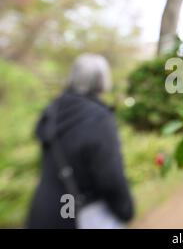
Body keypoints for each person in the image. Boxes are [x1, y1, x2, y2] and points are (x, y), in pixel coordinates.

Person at [26, 53, 134, 229]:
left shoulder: (53, 111)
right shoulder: (97, 117)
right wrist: (125, 209)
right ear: (101, 80)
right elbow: (109, 175)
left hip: (45, 211)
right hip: (82, 214)